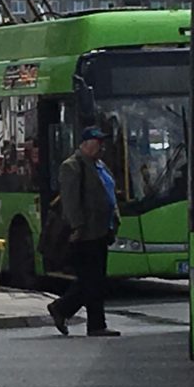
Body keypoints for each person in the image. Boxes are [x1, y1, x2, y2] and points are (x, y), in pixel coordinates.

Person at [47, 125, 121, 337]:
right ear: (86, 143)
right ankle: (90, 322)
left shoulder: (100, 166)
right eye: (98, 143)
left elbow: (109, 194)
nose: (102, 147)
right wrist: (77, 226)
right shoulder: (72, 166)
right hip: (85, 232)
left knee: (94, 279)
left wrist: (115, 220)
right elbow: (70, 201)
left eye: (103, 143)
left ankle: (65, 310)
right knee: (92, 280)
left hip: (101, 229)